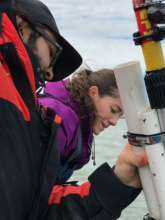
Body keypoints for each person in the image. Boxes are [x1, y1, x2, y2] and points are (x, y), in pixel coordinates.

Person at [0, 0, 148, 219]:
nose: (49, 72)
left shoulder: (68, 116)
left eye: (121, 115)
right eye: (114, 109)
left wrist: (115, 187)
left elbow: (32, 200)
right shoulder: (63, 120)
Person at [38, 68, 124, 184]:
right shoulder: (60, 118)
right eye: (113, 110)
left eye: (120, 116)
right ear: (93, 93)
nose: (114, 122)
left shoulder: (79, 121)